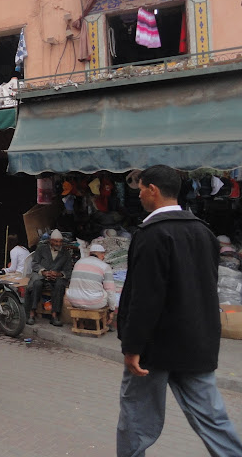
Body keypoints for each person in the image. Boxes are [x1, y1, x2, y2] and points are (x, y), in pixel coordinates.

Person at [116, 165, 242, 456]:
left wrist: (132, 346)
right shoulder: (204, 232)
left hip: (155, 348)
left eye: (141, 190)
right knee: (212, 418)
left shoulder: (151, 234)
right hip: (196, 342)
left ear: (153, 190)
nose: (140, 196)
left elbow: (145, 298)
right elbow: (206, 289)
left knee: (136, 419)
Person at [25, 229, 73, 327]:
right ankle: (32, 313)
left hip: (56, 278)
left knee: (60, 285)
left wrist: (59, 274)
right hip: (41, 275)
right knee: (36, 284)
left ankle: (55, 315)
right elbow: (34, 264)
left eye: (60, 242)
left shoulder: (66, 253)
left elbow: (68, 271)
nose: (58, 244)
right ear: (50, 241)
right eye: (56, 241)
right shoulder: (41, 249)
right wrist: (44, 272)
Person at [65, 243, 117, 320]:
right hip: (94, 303)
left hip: (74, 300)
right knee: (107, 292)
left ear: (89, 254)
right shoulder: (105, 266)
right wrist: (112, 309)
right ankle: (104, 322)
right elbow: (110, 290)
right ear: (102, 255)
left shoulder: (78, 262)